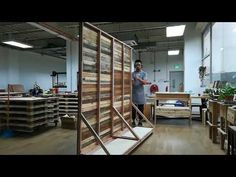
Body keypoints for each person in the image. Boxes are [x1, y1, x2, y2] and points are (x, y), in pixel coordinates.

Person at [132, 59, 150, 127]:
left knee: (141, 108)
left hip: (141, 94)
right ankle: (133, 120)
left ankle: (140, 121)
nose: (137, 66)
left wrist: (139, 78)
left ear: (141, 66)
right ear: (134, 66)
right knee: (133, 109)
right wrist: (133, 80)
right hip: (134, 94)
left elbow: (144, 82)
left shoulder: (144, 73)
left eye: (139, 65)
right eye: (136, 65)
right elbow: (132, 84)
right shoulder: (132, 74)